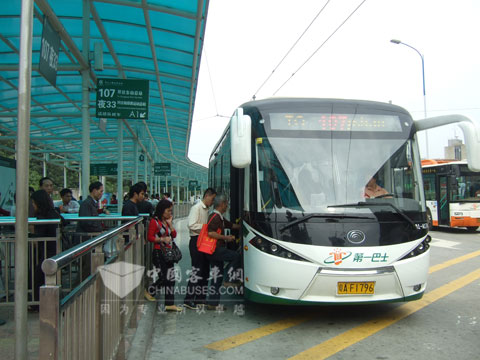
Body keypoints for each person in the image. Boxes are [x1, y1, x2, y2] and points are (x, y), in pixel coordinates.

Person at [204, 194, 241, 310]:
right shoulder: (215, 217)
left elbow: (232, 225)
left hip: (215, 250)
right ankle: (229, 279)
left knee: (217, 277)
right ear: (222, 204)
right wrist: (226, 238)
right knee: (236, 256)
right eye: (226, 204)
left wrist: (244, 225)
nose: (227, 206)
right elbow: (210, 233)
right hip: (215, 249)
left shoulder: (219, 217)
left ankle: (213, 303)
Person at [183, 187, 217, 310]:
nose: (212, 202)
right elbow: (191, 225)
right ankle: (189, 299)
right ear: (207, 196)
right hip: (196, 240)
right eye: (212, 199)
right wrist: (206, 228)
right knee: (197, 270)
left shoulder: (207, 210)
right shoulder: (196, 208)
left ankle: (200, 298)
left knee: (205, 270)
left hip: (204, 241)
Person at [29, 190, 62, 310]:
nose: (33, 206)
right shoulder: (54, 213)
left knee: (39, 276)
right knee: (51, 278)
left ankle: (39, 304)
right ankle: (49, 303)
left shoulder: (43, 217)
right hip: (55, 251)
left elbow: (40, 236)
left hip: (48, 252)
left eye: (33, 203)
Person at [147, 200, 182, 312]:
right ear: (162, 211)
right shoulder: (154, 222)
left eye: (171, 210)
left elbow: (174, 235)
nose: (170, 213)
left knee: (171, 278)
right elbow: (150, 237)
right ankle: (150, 291)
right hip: (159, 253)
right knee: (164, 277)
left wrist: (171, 224)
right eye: (168, 211)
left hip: (168, 253)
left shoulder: (167, 221)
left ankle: (170, 304)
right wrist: (162, 239)